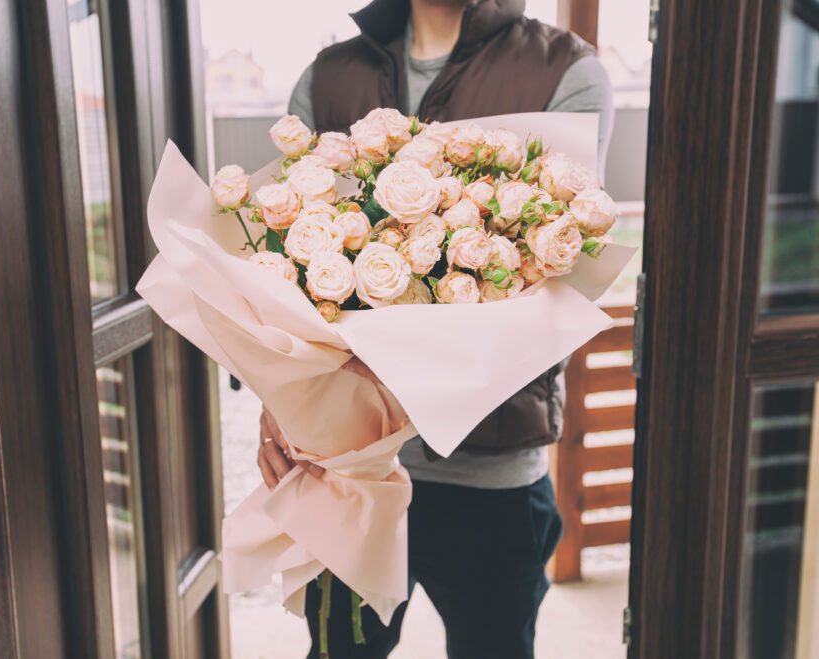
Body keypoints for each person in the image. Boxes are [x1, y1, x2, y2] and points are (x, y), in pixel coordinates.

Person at [257, 0, 614, 656]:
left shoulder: (566, 72)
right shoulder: (328, 78)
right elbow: (285, 278)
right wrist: (279, 403)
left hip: (492, 470)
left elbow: (560, 270)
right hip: (349, 470)